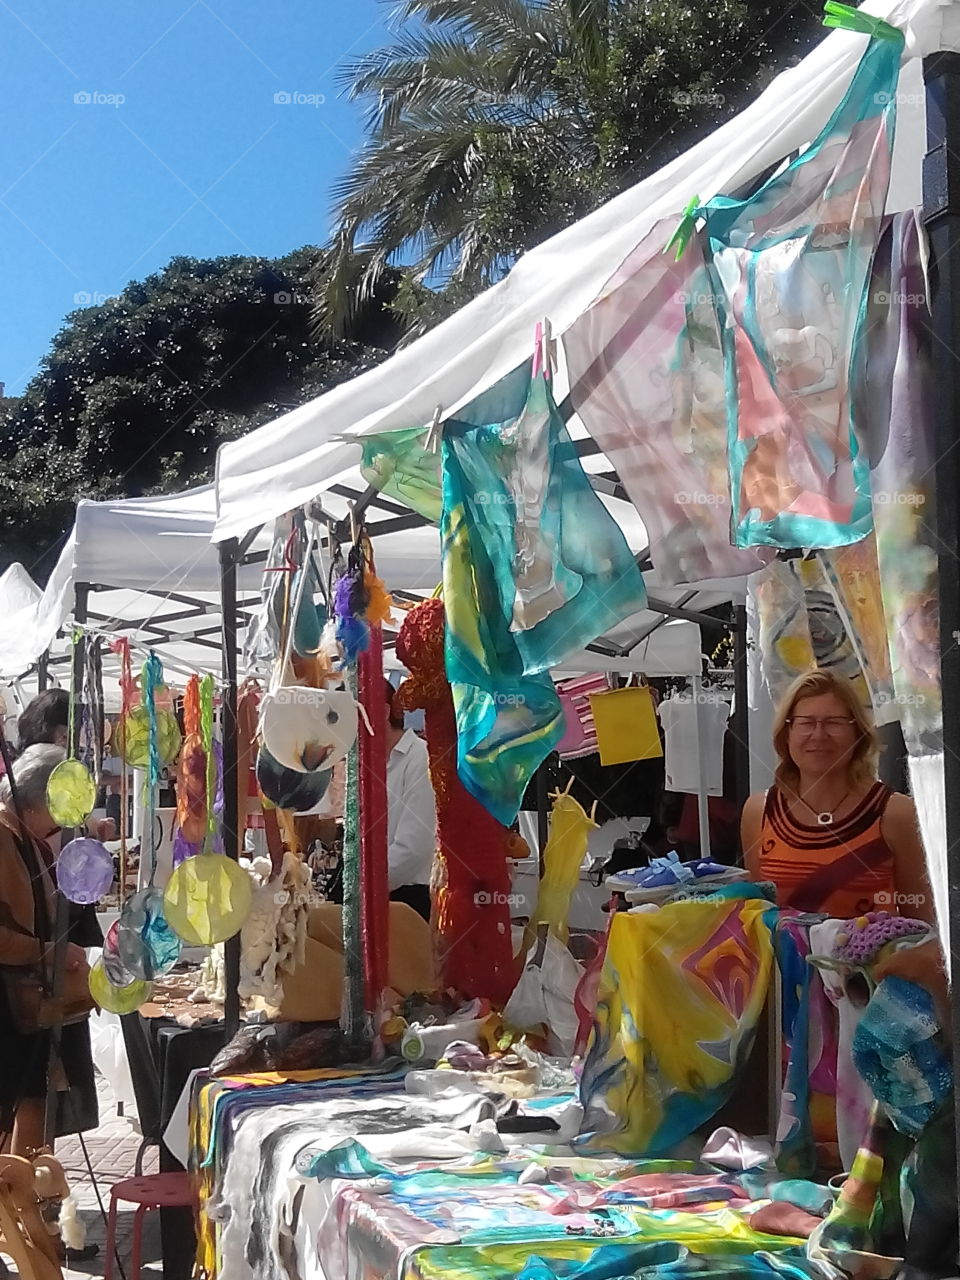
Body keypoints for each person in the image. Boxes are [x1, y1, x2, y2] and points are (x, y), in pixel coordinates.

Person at [741, 669, 935, 923]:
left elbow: (924, 925)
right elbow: (758, 917)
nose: (819, 735)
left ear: (857, 734)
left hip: (870, 962)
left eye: (833, 722)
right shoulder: (759, 811)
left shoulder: (896, 813)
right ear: (786, 734)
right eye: (806, 723)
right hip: (784, 963)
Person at [0, 746, 92, 1157]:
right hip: (6, 997)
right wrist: (47, 951)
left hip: (28, 996)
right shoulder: (3, 837)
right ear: (40, 800)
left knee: (35, 1096)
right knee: (11, 1101)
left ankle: (28, 1201)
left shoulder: (28, 839)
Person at [385, 680, 437, 921]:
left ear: (383, 712)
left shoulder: (419, 758)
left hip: (409, 898)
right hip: (377, 891)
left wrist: (366, 885)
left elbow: (415, 847)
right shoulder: (366, 765)